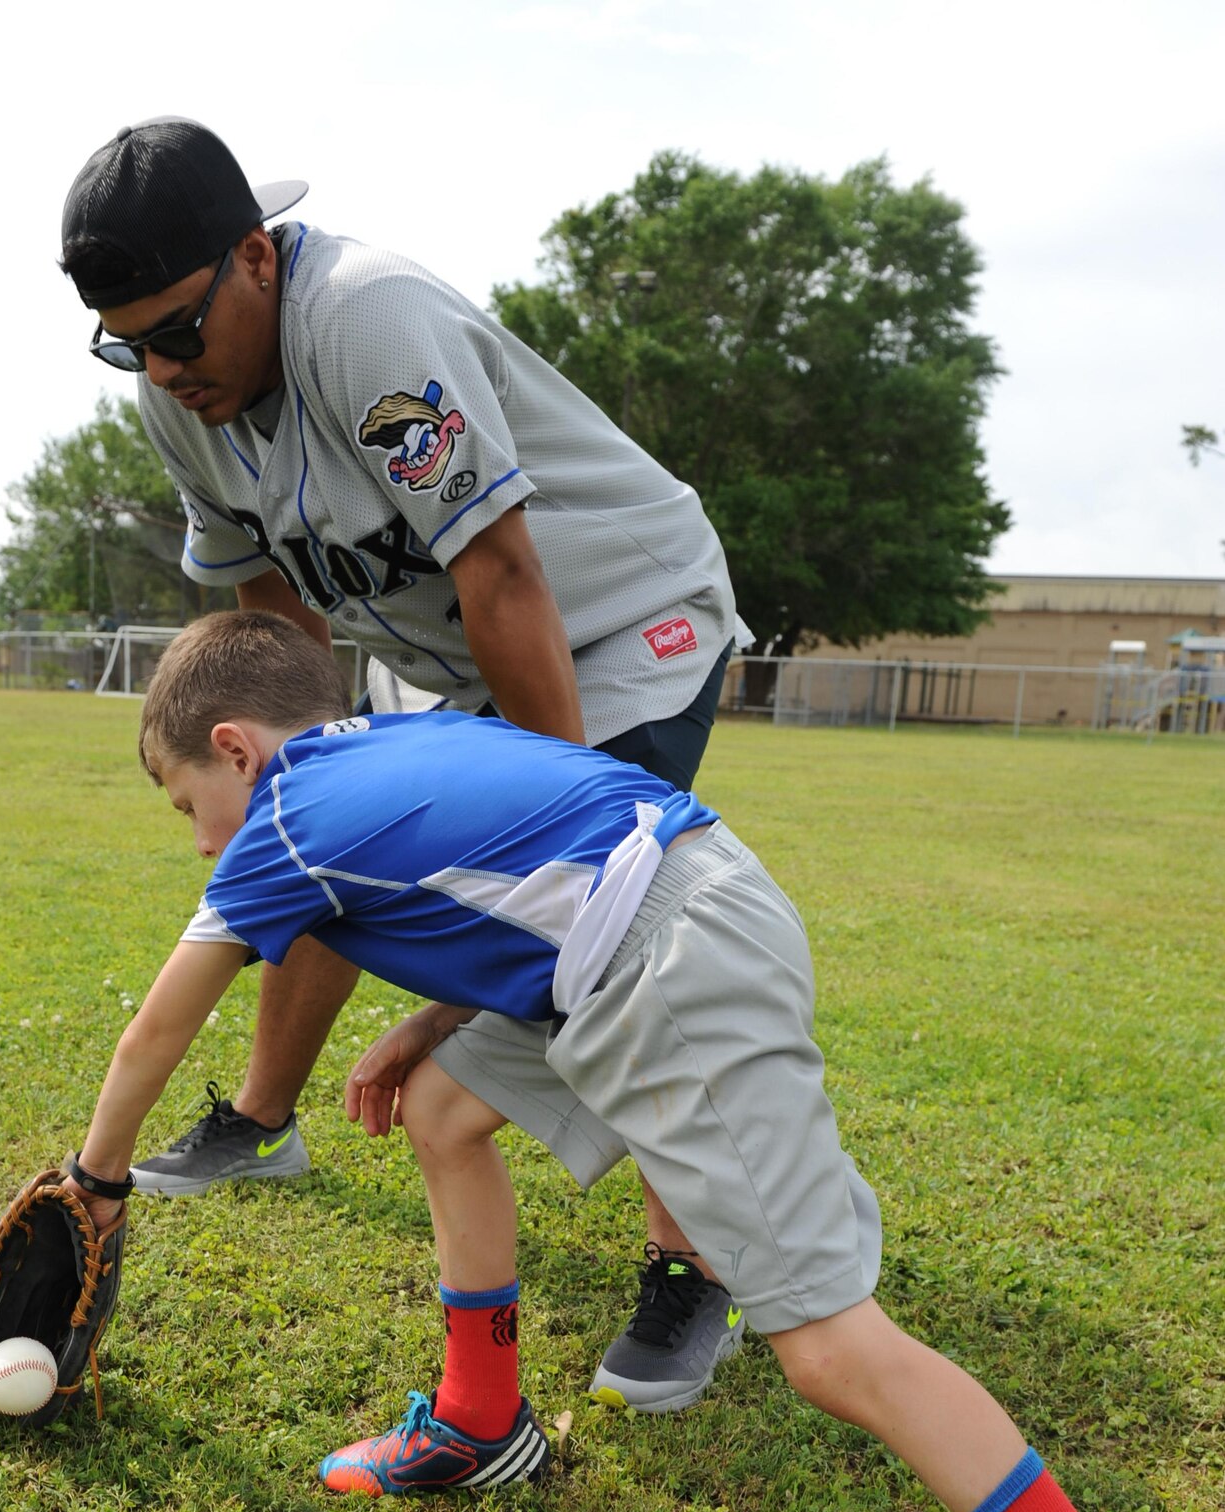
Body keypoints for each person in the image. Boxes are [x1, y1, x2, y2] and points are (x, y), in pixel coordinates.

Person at [63, 609, 1223, 1512]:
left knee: (833, 1350)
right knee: (441, 1111)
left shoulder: (281, 818)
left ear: (234, 748)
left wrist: (92, 1187)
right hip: (634, 925)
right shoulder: (375, 749)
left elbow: (162, 1023)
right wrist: (436, 1023)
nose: (205, 840)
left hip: (663, 956)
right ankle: (480, 1422)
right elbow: (539, 860)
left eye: (186, 805)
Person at [59, 115, 754, 1412]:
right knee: (321, 832)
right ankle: (263, 1119)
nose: (159, 370)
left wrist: (550, 821)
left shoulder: (366, 319)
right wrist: (313, 786)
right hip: (454, 653)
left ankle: (690, 1262)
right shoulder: (183, 404)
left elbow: (500, 570)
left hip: (614, 623)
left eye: (176, 332)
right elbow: (274, 623)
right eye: (127, 344)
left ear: (254, 258)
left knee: (614, 936)